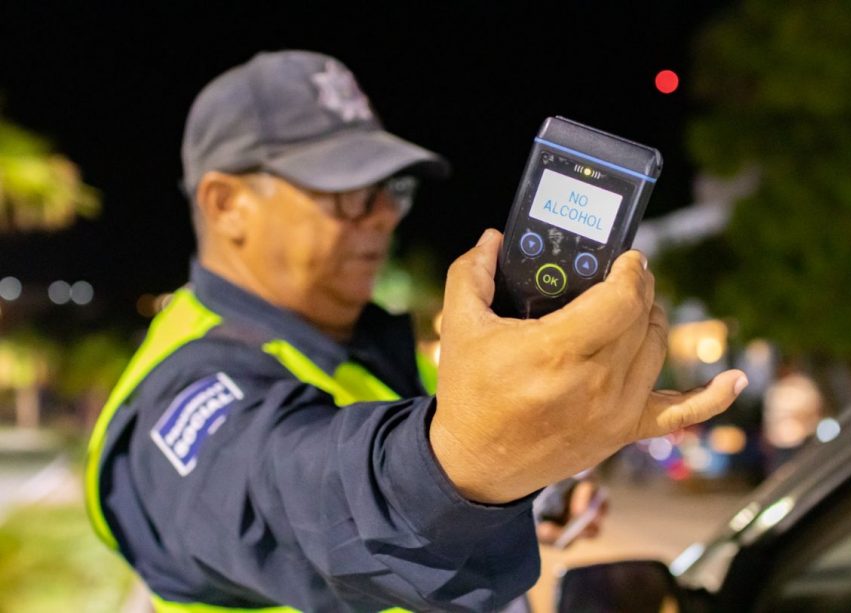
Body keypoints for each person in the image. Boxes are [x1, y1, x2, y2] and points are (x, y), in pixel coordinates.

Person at [85, 50, 748, 612]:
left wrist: (535, 486)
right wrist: (466, 457)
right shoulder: (183, 392)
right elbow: (281, 493)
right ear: (227, 205)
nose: (379, 217)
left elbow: (405, 449)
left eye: (389, 190)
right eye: (344, 192)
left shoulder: (373, 347)